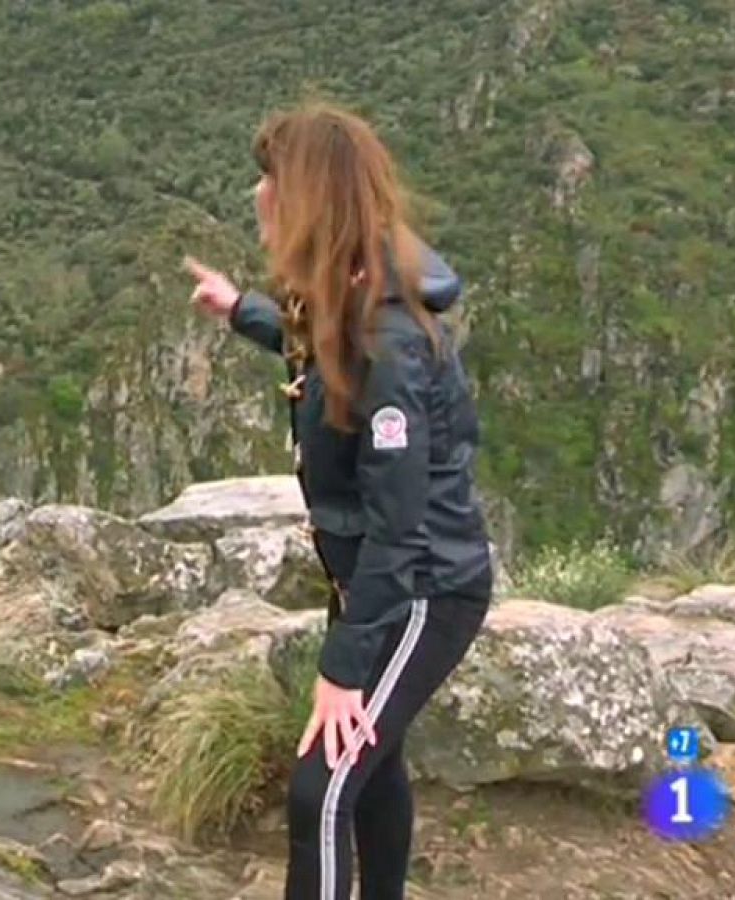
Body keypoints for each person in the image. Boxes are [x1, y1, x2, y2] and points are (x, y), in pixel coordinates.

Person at [187, 103, 495, 900]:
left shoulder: (390, 342)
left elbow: (400, 524)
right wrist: (241, 311)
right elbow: (315, 344)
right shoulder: (350, 289)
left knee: (320, 791)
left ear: (304, 199)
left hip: (421, 588)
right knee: (372, 762)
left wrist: (344, 667)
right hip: (371, 578)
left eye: (269, 180)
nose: (257, 195)